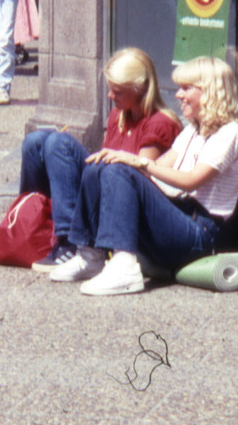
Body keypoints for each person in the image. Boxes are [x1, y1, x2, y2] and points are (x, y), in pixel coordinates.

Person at [55, 55, 238, 296]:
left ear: (211, 92)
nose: (178, 95)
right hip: (176, 215)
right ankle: (90, 254)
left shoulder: (230, 134)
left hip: (200, 234)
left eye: (186, 88)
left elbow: (192, 180)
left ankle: (125, 266)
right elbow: (158, 168)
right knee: (101, 165)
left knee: (121, 168)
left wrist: (139, 163)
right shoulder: (191, 131)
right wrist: (123, 162)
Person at [24, 48, 179, 275]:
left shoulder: (159, 123)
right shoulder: (119, 113)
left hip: (126, 208)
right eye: (110, 89)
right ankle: (31, 225)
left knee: (60, 143)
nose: (110, 96)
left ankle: (68, 241)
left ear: (141, 89)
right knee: (37, 141)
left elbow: (143, 179)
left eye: (118, 91)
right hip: (104, 191)